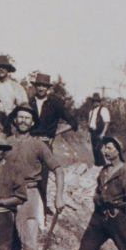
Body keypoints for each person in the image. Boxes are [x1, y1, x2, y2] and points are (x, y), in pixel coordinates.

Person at [5, 105, 65, 250]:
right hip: (6, 194)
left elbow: (58, 170)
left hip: (30, 196)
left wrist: (59, 196)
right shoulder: (5, 142)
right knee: (4, 238)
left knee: (29, 241)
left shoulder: (39, 145)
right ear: (15, 120)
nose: (23, 121)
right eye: (20, 117)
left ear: (32, 123)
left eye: (27, 118)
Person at [29, 72, 79, 213]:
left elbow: (73, 123)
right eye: (38, 85)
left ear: (48, 88)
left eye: (44, 86)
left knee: (43, 178)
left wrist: (54, 133)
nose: (41, 88)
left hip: (45, 144)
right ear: (35, 86)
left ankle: (42, 210)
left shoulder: (55, 103)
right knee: (28, 176)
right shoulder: (30, 102)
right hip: (30, 142)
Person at [88, 93, 111, 166]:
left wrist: (103, 133)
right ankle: (97, 164)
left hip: (100, 132)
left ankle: (103, 165)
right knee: (94, 150)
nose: (95, 103)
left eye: (97, 101)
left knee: (99, 149)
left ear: (99, 101)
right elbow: (89, 124)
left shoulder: (103, 109)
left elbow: (107, 122)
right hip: (93, 132)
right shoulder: (91, 111)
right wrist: (88, 135)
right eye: (94, 101)